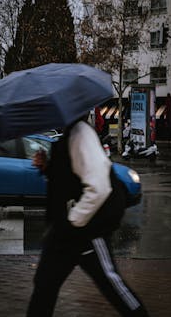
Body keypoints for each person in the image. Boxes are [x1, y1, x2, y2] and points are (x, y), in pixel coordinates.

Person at [26, 114, 150, 317]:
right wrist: (47, 167)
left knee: (112, 285)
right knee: (44, 284)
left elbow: (99, 187)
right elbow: (70, 180)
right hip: (64, 233)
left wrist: (74, 220)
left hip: (86, 232)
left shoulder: (81, 133)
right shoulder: (69, 135)